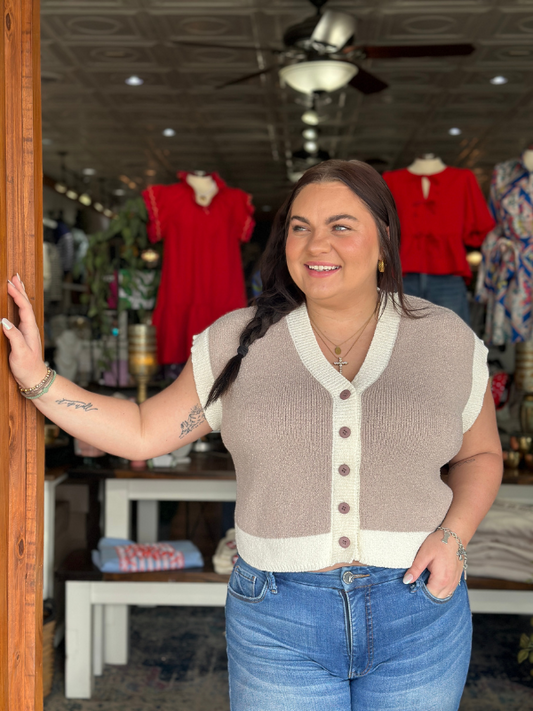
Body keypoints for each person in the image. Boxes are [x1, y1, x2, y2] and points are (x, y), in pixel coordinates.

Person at [3, 160, 502, 711]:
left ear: (384, 238)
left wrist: (454, 539)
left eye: (341, 226)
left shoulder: (444, 339)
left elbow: (479, 454)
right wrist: (38, 380)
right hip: (277, 619)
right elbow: (144, 431)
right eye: (299, 226)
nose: (316, 244)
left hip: (419, 611)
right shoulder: (238, 342)